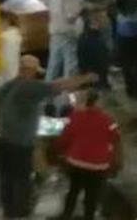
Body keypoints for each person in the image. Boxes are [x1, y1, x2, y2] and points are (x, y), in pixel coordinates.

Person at [0, 55, 94, 219]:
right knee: (21, 181)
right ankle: (19, 214)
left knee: (7, 179)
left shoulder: (10, 85)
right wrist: (86, 78)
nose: (37, 76)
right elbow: (58, 86)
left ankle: (8, 213)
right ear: (28, 71)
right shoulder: (29, 86)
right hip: (20, 145)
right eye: (35, 72)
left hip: (4, 140)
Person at [56, 88, 121, 220]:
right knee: (92, 196)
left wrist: (61, 154)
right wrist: (115, 162)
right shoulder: (109, 120)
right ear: (99, 103)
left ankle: (66, 215)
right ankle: (88, 216)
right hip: (98, 165)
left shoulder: (75, 116)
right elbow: (116, 140)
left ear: (86, 102)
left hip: (76, 161)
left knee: (73, 190)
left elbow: (65, 138)